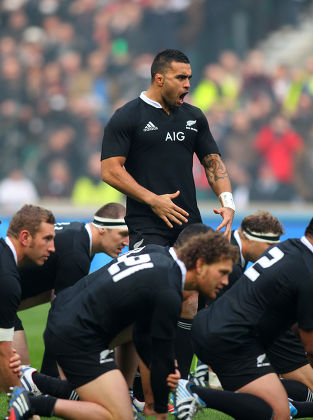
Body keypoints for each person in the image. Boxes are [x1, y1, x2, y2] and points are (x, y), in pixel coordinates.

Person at [7, 230, 238, 420]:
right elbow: (158, 354)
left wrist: (153, 403)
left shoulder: (158, 254)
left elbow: (144, 337)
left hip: (68, 319)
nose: (225, 281)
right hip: (76, 335)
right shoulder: (168, 291)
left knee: (105, 393)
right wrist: (160, 409)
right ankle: (30, 404)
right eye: (222, 272)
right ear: (200, 264)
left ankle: (34, 380)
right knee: (118, 416)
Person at [101, 49, 235, 247]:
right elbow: (110, 171)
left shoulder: (194, 117)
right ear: (159, 79)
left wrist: (228, 203)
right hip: (147, 227)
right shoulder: (127, 116)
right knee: (155, 276)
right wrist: (153, 200)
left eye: (189, 78)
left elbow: (212, 162)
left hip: (189, 225)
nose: (188, 84)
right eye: (181, 78)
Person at [191, 218, 313, 420]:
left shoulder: (289, 247)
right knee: (276, 412)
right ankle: (196, 393)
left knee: (270, 410)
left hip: (217, 328)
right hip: (233, 339)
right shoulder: (307, 270)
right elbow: (310, 346)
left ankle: (200, 393)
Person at [15, 202, 129, 373]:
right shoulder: (77, 254)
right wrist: (51, 375)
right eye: (123, 234)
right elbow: (60, 319)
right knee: (20, 382)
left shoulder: (78, 233)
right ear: (103, 229)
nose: (127, 242)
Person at [0, 204, 55, 393]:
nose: (53, 248)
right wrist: (27, 409)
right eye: (47, 239)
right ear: (25, 237)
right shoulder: (7, 280)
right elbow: (4, 357)